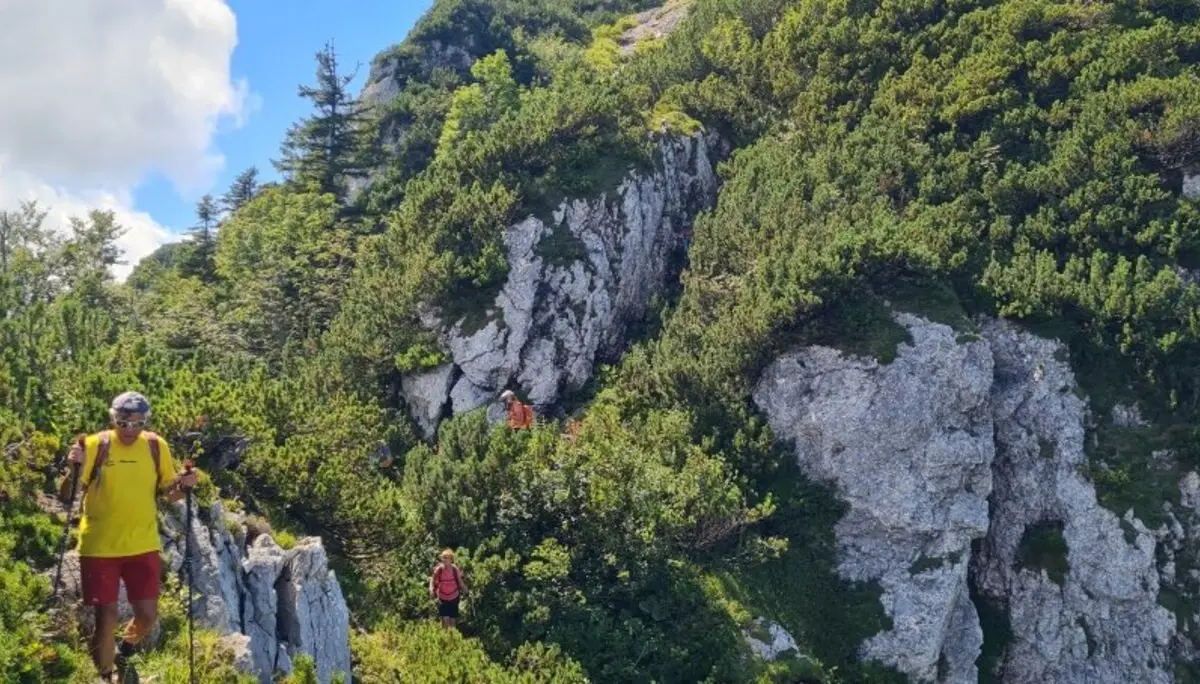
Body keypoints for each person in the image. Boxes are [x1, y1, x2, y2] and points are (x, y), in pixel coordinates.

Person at [58, 391, 197, 682]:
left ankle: (126, 648)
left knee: (147, 615)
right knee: (105, 617)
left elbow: (168, 494)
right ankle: (106, 676)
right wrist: (74, 467)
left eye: (138, 423)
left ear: (146, 421)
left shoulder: (156, 446)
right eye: (124, 422)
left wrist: (183, 486)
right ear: (113, 418)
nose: (130, 430)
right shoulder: (96, 445)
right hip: (99, 546)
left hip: (142, 544)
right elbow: (66, 495)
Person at [428, 549, 467, 629]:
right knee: (445, 620)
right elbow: (432, 580)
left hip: (454, 597)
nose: (445, 559)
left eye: (447, 557)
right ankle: (445, 639)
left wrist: (465, 590)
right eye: (443, 557)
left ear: (451, 559)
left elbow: (460, 582)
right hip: (443, 597)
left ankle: (452, 639)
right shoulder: (439, 569)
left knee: (452, 622)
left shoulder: (454, 569)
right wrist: (431, 590)